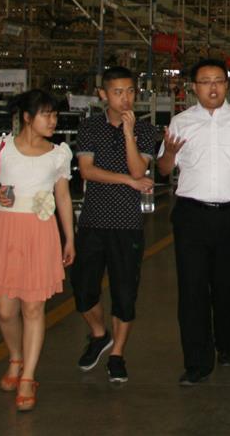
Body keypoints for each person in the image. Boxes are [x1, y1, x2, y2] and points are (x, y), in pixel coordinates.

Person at [158, 58, 230, 385]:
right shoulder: (180, 122)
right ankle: (197, 361)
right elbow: (164, 169)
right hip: (191, 215)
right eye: (205, 82)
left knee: (227, 286)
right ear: (194, 87)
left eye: (218, 81)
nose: (213, 87)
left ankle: (226, 343)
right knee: (192, 289)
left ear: (227, 85)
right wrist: (168, 153)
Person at [0, 89, 75, 412]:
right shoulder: (1, 147)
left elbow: (63, 197)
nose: (53, 121)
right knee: (6, 311)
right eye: (47, 114)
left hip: (41, 232)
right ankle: (15, 357)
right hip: (6, 232)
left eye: (55, 115)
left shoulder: (59, 154)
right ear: (27, 118)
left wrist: (69, 238)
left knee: (33, 308)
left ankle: (28, 376)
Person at [71, 66, 158, 384]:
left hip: (127, 224)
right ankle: (98, 334)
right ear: (103, 95)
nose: (125, 99)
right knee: (83, 288)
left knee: (124, 292)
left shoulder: (146, 130)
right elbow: (87, 171)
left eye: (130, 91)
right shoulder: (89, 127)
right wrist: (128, 182)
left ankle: (117, 354)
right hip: (93, 221)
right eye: (118, 92)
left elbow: (138, 170)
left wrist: (128, 134)